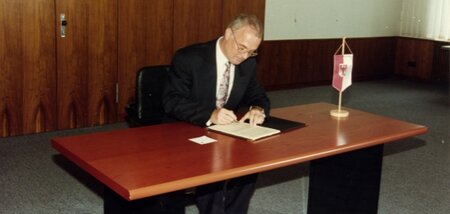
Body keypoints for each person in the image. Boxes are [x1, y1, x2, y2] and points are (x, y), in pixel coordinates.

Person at [163, 14, 270, 214]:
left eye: (252, 52)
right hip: (186, 128)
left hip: (222, 133)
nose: (244, 56)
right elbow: (172, 101)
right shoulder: (189, 58)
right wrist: (210, 114)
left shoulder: (247, 63)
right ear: (228, 33)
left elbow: (258, 95)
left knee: (248, 166)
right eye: (242, 48)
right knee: (213, 166)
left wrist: (257, 109)